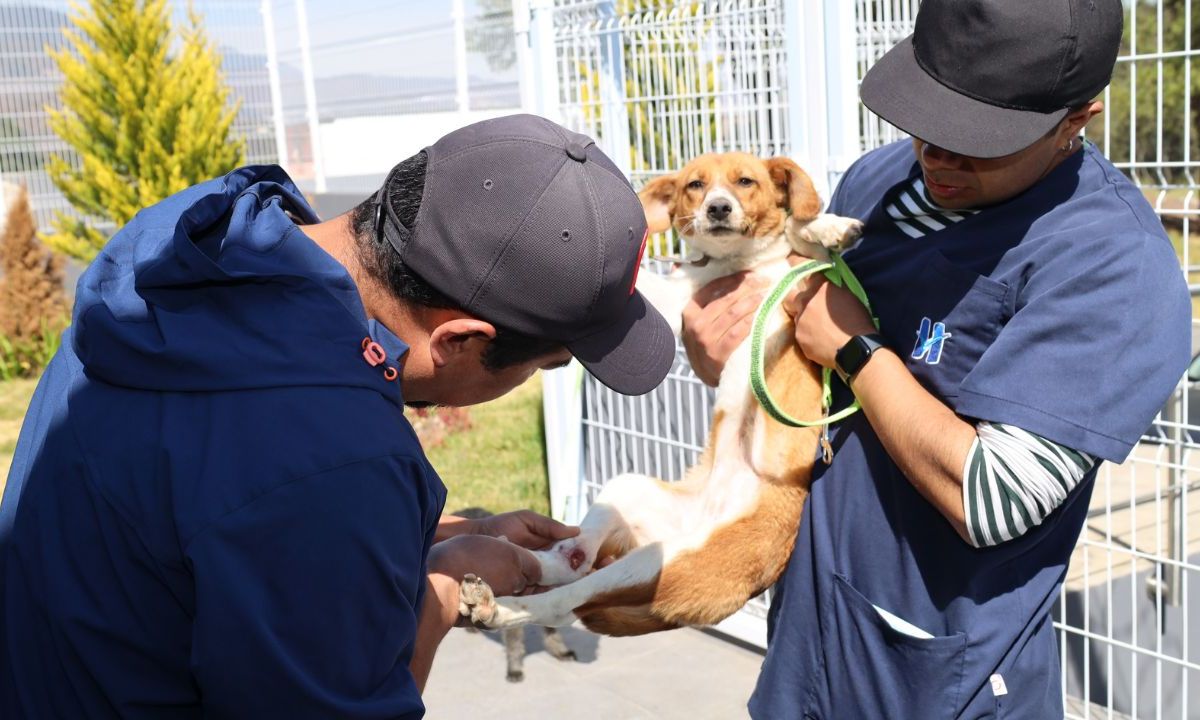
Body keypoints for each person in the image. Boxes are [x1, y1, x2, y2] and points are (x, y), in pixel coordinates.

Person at [0, 114, 674, 718]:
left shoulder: (194, 265)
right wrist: (442, 588)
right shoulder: (333, 463)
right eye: (546, 364)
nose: (537, 376)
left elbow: (204, 524)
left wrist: (430, 533)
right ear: (460, 341)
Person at [682, 1, 1191, 718]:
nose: (938, 156)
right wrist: (721, 356)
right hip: (810, 643)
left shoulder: (1112, 265)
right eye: (928, 121)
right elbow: (798, 383)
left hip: (943, 676)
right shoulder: (877, 184)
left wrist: (859, 350)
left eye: (979, 139)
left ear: (1078, 117)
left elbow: (994, 498)